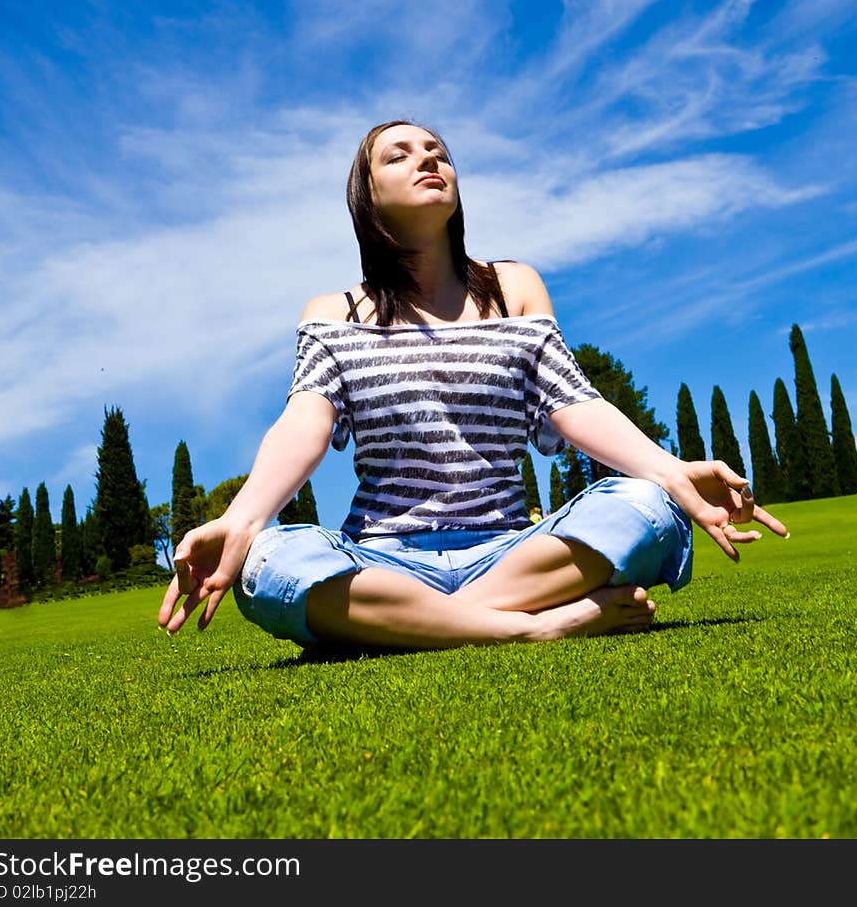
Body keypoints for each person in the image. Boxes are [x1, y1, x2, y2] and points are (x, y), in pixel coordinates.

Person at [158, 118, 788, 652]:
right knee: (267, 565)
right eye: (398, 155)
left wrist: (669, 471)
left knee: (651, 510)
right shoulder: (333, 312)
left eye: (438, 152)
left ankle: (418, 625)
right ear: (367, 196)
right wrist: (242, 522)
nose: (427, 159)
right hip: (381, 557)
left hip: (514, 551)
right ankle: (527, 630)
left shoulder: (514, 286)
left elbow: (572, 403)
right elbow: (304, 423)